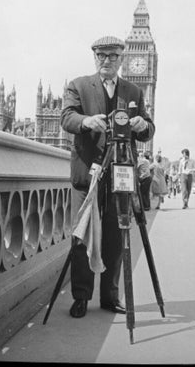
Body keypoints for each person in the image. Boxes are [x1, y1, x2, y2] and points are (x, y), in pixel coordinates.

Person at [61, 35, 155, 319]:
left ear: (121, 59)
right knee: (82, 235)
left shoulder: (133, 91)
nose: (107, 61)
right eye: (101, 56)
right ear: (95, 58)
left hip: (121, 175)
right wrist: (86, 121)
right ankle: (81, 296)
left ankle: (110, 296)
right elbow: (67, 117)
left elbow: (149, 130)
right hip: (86, 173)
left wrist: (142, 124)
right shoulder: (78, 86)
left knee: (116, 237)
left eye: (113, 56)